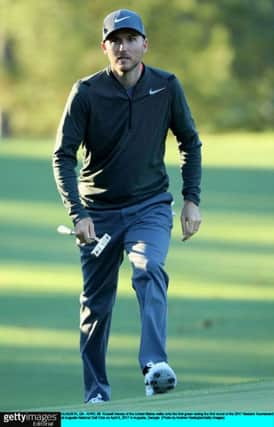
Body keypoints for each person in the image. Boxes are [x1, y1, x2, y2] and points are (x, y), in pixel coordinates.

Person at [53, 9, 202, 404]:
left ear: (144, 44)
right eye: (115, 40)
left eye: (131, 39)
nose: (123, 47)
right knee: (96, 306)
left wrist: (192, 200)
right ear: (105, 47)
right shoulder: (86, 92)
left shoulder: (166, 86)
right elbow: (63, 155)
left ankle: (155, 367)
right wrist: (77, 213)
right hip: (97, 214)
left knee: (148, 266)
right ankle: (96, 394)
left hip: (149, 204)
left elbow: (189, 141)